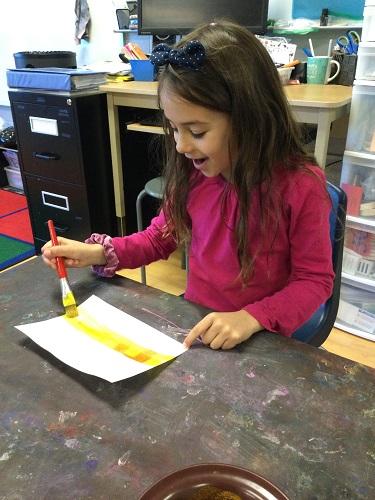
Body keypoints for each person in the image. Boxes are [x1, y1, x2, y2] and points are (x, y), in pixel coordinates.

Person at [42, 20, 334, 350]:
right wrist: (96, 252)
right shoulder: (195, 173)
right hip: (197, 324)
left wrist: (250, 318)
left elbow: (315, 281)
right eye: (174, 129)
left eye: (196, 132)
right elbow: (158, 238)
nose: (181, 146)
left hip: (260, 337)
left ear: (251, 118)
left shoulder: (300, 186)